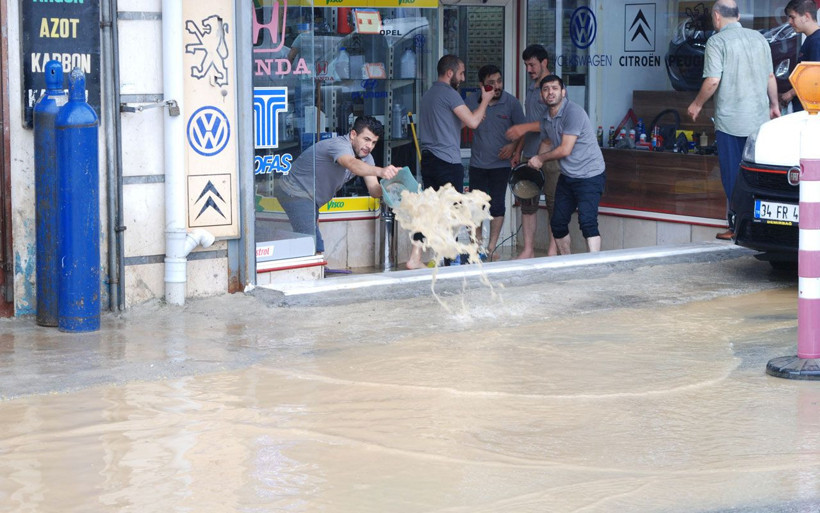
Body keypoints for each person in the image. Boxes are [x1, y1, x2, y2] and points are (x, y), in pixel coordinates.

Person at [687, 0, 780, 241]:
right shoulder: (760, 39)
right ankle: (759, 224)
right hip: (759, 121)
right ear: (738, 16)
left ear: (716, 17)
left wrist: (697, 104)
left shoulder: (717, 42)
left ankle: (737, 225)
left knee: (733, 175)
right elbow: (770, 75)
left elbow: (713, 80)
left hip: (731, 122)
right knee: (757, 172)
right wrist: (775, 105)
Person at [405, 54, 494, 269]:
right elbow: (472, 123)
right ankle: (452, 258)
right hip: (447, 161)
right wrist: (485, 101)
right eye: (462, 73)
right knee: (453, 213)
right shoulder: (450, 94)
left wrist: (476, 114)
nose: (463, 78)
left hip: (429, 160)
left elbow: (455, 125)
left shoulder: (429, 95)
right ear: (450, 73)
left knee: (430, 210)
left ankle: (416, 257)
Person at [275, 116, 399, 254]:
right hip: (293, 191)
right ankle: (314, 270)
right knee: (313, 246)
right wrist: (382, 171)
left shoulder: (366, 158)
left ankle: (314, 268)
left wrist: (390, 186)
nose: (369, 146)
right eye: (366, 139)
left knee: (308, 242)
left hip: (311, 199)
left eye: (374, 142)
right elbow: (352, 165)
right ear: (353, 135)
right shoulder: (339, 145)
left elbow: (374, 190)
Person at [527, 75, 605, 255]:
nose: (550, 92)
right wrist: (535, 161)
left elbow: (565, 149)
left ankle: (595, 264)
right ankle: (567, 262)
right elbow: (547, 141)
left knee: (587, 222)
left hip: (590, 175)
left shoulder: (573, 112)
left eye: (554, 88)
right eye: (546, 89)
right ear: (541, 95)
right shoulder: (546, 117)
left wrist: (541, 159)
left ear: (563, 92)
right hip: (568, 175)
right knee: (558, 222)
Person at [464, 64, 526, 260]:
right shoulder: (472, 101)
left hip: (500, 165)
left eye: (499, 81)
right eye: (491, 83)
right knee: (476, 207)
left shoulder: (511, 103)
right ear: (481, 85)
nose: (497, 86)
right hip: (477, 163)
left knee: (497, 205)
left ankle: (491, 247)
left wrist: (514, 149)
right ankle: (477, 244)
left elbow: (523, 129)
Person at [504, 44, 560, 259]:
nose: (529, 69)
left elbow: (552, 122)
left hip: (552, 155)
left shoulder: (554, 88)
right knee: (527, 202)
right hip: (529, 154)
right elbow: (528, 123)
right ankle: (527, 249)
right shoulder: (530, 88)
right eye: (526, 65)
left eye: (532, 64)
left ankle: (552, 251)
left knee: (555, 203)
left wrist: (522, 128)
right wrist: (518, 150)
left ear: (544, 63)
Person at [780, 0, 820, 112]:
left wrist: (790, 93)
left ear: (806, 16)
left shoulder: (817, 41)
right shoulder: (812, 39)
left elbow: (816, 79)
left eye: (792, 17)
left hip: (810, 111)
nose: (789, 22)